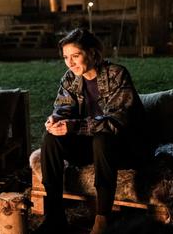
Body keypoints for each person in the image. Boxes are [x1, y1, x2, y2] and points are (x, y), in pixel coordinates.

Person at [37, 28, 145, 234]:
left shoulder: (117, 74)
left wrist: (75, 126)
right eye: (66, 57)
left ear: (93, 53)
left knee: (101, 138)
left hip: (122, 147)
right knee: (50, 138)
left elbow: (116, 122)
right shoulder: (70, 78)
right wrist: (57, 119)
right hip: (89, 146)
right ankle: (55, 217)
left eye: (75, 56)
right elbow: (64, 106)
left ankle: (102, 218)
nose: (70, 63)